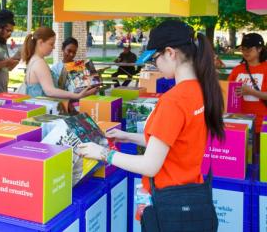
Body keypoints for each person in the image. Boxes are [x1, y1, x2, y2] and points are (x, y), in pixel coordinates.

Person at [78, 20, 224, 228]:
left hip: (166, 203)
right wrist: (126, 136)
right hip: (190, 197)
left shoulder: (173, 100)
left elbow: (150, 165)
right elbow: (175, 142)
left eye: (155, 59)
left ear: (170, 53)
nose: (155, 65)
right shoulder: (201, 91)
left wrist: (102, 153)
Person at [22, 27, 97, 99]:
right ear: (40, 42)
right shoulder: (39, 63)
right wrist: (77, 95)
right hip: (42, 108)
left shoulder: (33, 60)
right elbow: (50, 91)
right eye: (51, 44)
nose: (53, 47)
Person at [229, 33, 267, 141]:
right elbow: (227, 92)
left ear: (259, 49)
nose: (245, 52)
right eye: (243, 48)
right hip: (239, 124)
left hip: (261, 125)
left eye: (249, 49)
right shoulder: (237, 70)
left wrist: (250, 91)